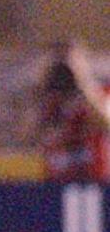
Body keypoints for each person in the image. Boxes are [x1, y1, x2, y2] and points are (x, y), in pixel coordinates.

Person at [24, 39, 110, 183]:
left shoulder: (97, 95)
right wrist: (42, 86)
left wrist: (82, 82)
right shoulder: (48, 102)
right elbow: (26, 133)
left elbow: (105, 122)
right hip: (55, 182)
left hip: (93, 182)